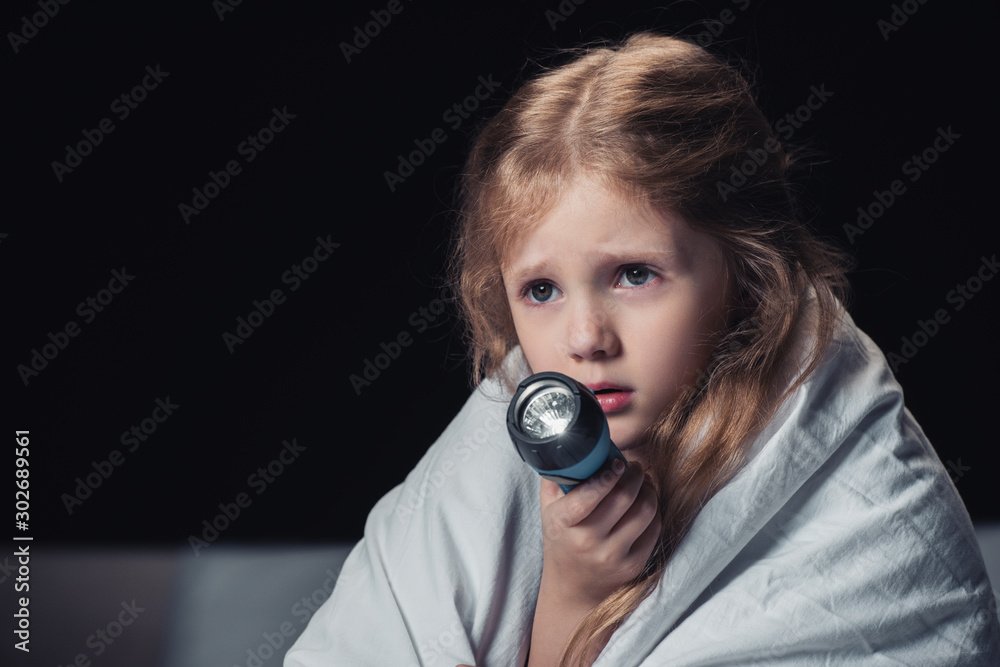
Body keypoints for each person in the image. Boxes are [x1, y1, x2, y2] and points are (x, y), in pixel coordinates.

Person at [284, 31, 999, 666]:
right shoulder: (518, 412)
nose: (585, 338)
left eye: (634, 275)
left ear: (747, 270)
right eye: (540, 290)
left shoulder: (867, 517)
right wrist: (570, 596)